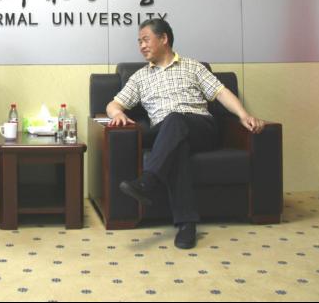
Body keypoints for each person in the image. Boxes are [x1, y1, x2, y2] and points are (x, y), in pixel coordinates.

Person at [107, 19, 264, 249]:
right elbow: (113, 104)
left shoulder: (193, 67)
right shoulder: (140, 77)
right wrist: (117, 113)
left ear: (164, 39)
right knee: (176, 144)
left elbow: (221, 93)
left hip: (200, 127)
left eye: (146, 40)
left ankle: (148, 181)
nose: (141, 46)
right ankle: (187, 224)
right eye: (139, 41)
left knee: (175, 119)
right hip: (165, 133)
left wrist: (243, 115)